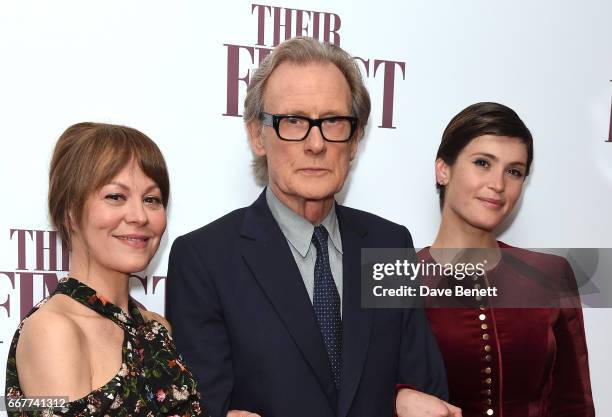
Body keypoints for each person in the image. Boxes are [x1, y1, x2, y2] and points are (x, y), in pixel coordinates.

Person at [166, 36, 455, 417]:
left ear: (354, 141)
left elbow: (425, 392)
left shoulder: (388, 245)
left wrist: (401, 397)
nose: (316, 143)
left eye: (334, 122)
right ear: (258, 135)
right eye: (294, 121)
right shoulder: (205, 259)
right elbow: (204, 407)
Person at [5, 123, 209, 416]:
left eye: (152, 199)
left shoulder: (157, 329)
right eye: (116, 196)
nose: (139, 216)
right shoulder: (53, 331)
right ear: (70, 211)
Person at [420, 102, 595, 416]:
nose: (498, 185)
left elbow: (574, 403)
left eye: (514, 171)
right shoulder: (400, 277)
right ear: (443, 169)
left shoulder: (551, 275)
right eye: (483, 163)